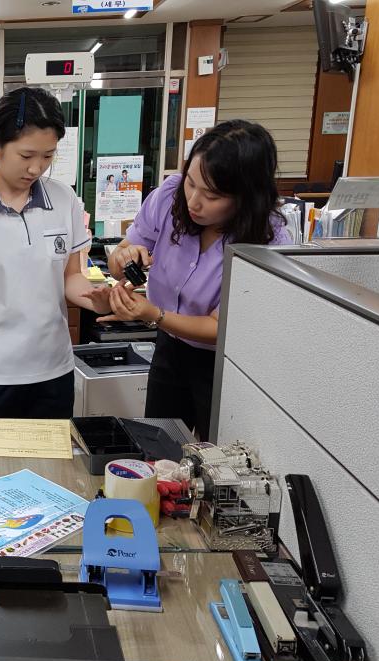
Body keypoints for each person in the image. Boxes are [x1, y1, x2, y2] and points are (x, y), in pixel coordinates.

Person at [94, 119, 291, 439]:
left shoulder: (267, 240)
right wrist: (123, 258)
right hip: (170, 347)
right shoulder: (170, 195)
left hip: (224, 363)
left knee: (218, 451)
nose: (194, 201)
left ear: (246, 195)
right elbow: (122, 257)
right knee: (159, 441)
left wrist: (152, 314)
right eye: (192, 183)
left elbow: (219, 327)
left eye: (212, 195)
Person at [0, 87, 107, 420]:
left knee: (53, 468)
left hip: (52, 371)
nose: (37, 168)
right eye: (26, 156)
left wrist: (96, 298)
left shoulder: (64, 200)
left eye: (48, 156)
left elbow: (70, 276)